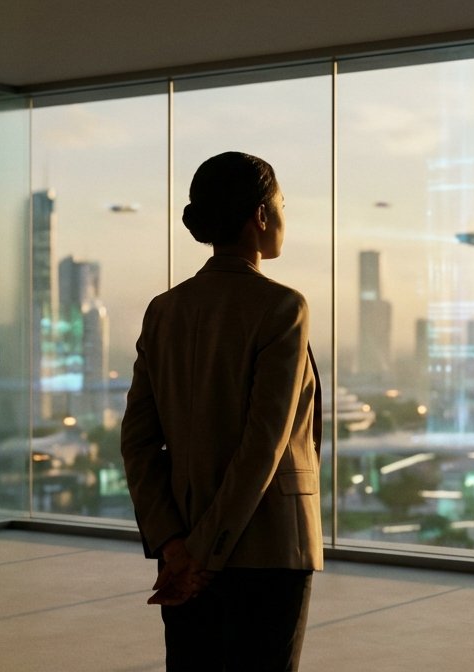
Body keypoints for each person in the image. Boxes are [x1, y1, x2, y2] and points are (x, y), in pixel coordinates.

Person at [121, 151, 322, 671]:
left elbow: (139, 441)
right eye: (280, 204)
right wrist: (203, 556)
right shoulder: (283, 307)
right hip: (269, 551)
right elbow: (264, 445)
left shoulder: (164, 310)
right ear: (259, 216)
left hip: (183, 544)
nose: (282, 216)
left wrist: (174, 547)